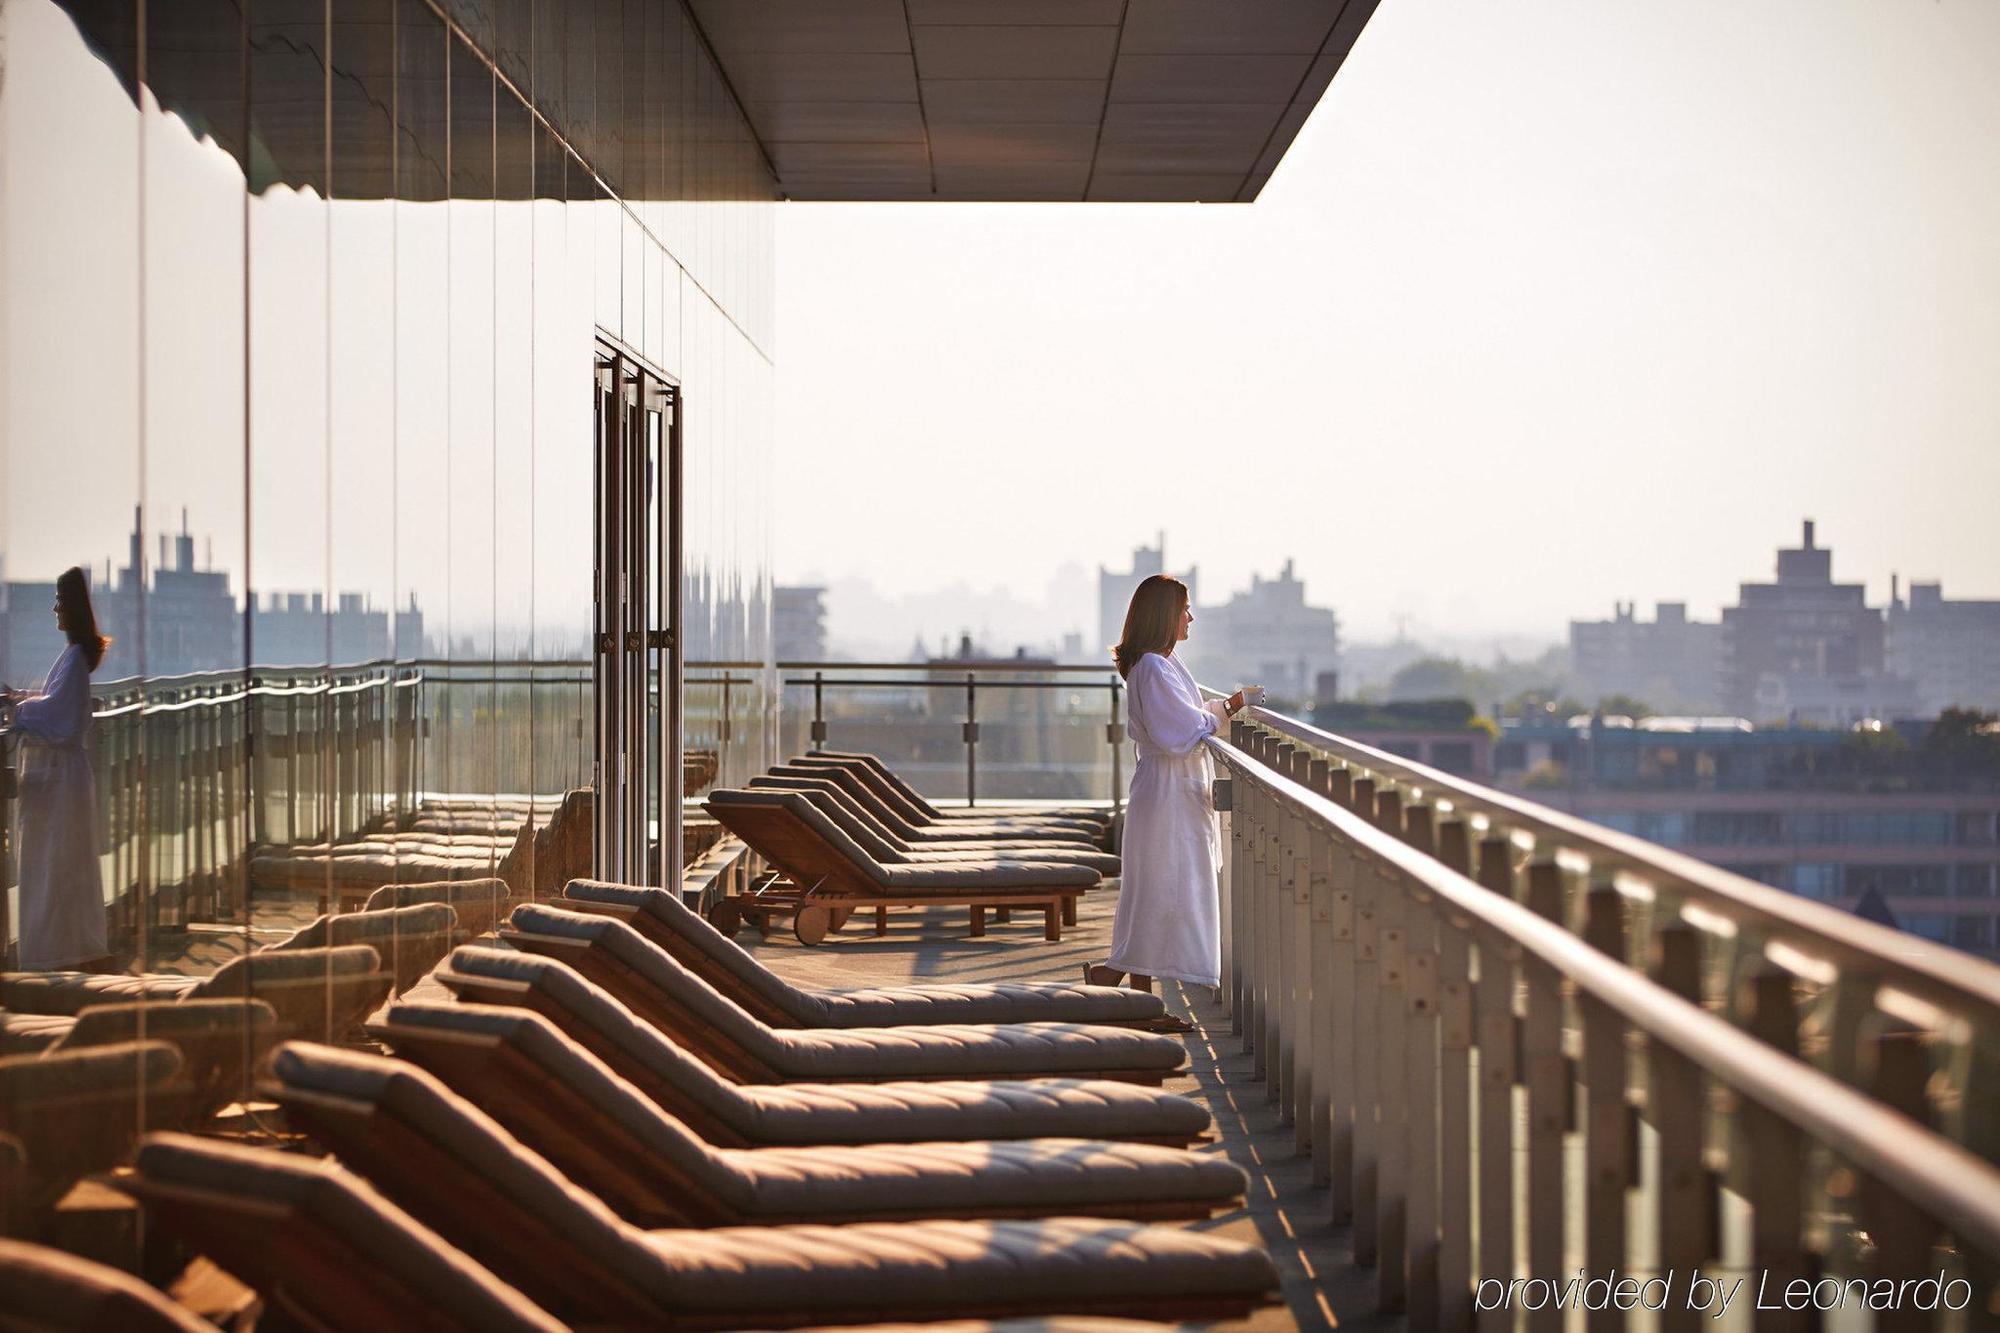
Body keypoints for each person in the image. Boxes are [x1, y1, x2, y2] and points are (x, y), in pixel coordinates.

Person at [1085, 574, 1246, 998]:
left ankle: (1128, 990)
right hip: (1168, 793)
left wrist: (1217, 710)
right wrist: (1232, 706)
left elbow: (1186, 714)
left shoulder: (1160, 663)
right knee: (1161, 892)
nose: (1190, 618)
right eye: (1184, 610)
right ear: (1165, 615)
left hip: (1168, 790)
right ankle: (1124, 986)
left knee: (1154, 891)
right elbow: (1179, 731)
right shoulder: (1154, 667)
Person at [5, 567, 113, 971]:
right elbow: (55, 703)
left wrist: (18, 708)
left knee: (56, 866)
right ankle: (61, 947)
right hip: (65, 780)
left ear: (72, 607)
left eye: (58, 601)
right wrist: (24, 698)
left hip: (60, 782)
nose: (54, 608)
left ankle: (55, 951)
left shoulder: (74, 658)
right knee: (61, 864)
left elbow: (60, 716)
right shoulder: (74, 658)